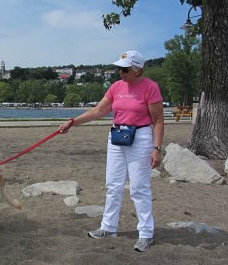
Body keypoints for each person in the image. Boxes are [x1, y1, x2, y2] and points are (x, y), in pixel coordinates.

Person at [59, 50, 164, 252]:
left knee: (138, 188)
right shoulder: (116, 87)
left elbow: (158, 121)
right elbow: (98, 111)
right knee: (113, 185)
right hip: (117, 136)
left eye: (125, 69)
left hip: (140, 137)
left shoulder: (150, 87)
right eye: (119, 69)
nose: (120, 73)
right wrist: (73, 122)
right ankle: (108, 227)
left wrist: (156, 148)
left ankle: (145, 234)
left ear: (138, 70)